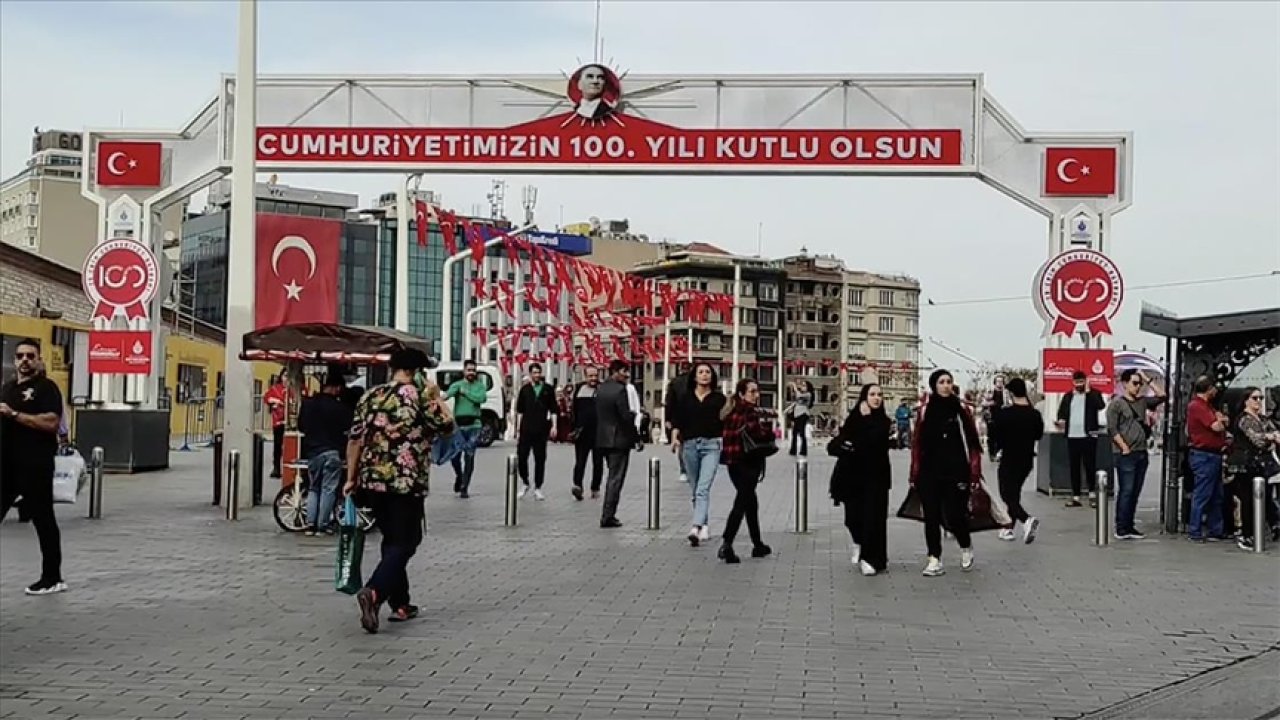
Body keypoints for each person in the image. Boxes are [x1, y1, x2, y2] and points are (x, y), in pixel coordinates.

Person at [344, 348, 452, 633]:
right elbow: (448, 426)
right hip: (406, 483)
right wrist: (437, 396)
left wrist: (350, 477)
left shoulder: (371, 395)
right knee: (407, 541)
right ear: (417, 372)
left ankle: (401, 603)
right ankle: (375, 591)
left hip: (372, 481)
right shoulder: (420, 397)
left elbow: (355, 440)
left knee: (392, 539)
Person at [0, 338, 67, 595]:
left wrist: (15, 415)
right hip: (7, 465)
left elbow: (51, 423)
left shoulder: (46, 388)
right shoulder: (7, 388)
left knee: (43, 519)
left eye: (30, 356)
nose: (25, 361)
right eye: (20, 356)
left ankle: (52, 577)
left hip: (35, 464)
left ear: (39, 359)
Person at [910, 369, 983, 577]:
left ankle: (965, 544)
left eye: (949, 382)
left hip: (956, 470)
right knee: (931, 516)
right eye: (941, 382)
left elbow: (973, 442)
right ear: (934, 385)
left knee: (954, 515)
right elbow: (917, 443)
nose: (946, 385)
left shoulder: (961, 409)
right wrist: (914, 472)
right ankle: (934, 558)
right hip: (929, 471)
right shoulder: (925, 410)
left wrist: (974, 472)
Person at [830, 383, 893, 576]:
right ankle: (859, 543)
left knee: (873, 519)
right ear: (864, 397)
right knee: (853, 518)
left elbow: (874, 442)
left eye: (879, 395)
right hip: (852, 477)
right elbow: (836, 445)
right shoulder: (853, 419)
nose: (876, 398)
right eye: (872, 394)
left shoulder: (883, 422)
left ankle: (871, 558)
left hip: (876, 477)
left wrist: (867, 420)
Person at [717, 378, 775, 564]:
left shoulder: (730, 411)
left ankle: (758, 544)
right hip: (748, 462)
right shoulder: (750, 412)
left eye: (757, 391)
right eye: (752, 391)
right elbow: (758, 433)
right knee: (742, 502)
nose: (756, 395)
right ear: (742, 394)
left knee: (750, 502)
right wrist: (769, 431)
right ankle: (727, 544)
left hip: (732, 463)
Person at [1105, 369, 1167, 540]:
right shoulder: (1116, 404)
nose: (1138, 387)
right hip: (1125, 453)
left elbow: (1162, 396)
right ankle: (1121, 527)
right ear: (1124, 384)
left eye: (1139, 384)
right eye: (1134, 383)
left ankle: (1129, 525)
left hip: (1141, 452)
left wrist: (1147, 379)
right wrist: (1123, 446)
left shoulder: (1142, 402)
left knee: (1135, 491)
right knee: (1127, 490)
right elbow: (1112, 428)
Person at [670, 363, 727, 547]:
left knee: (703, 488)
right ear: (694, 376)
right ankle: (704, 524)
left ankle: (695, 527)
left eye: (708, 372)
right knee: (695, 489)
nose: (704, 375)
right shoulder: (685, 398)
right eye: (701, 372)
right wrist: (674, 437)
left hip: (711, 445)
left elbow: (726, 421)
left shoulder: (719, 399)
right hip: (689, 445)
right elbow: (677, 420)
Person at [297, 372, 353, 536]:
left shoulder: (308, 404)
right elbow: (348, 430)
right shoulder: (340, 408)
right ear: (336, 388)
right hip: (331, 452)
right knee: (328, 489)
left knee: (313, 488)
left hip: (312, 452)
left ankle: (310, 524)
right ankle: (323, 525)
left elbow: (301, 427)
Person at [1227, 387, 1280, 550]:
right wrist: (1270, 438)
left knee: (1263, 497)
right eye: (1255, 398)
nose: (1258, 401)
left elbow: (1273, 433)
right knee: (1247, 499)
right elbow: (1257, 439)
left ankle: (1265, 528)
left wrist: (1271, 437)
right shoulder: (1244, 419)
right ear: (1246, 400)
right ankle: (1246, 534)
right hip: (1244, 463)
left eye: (1261, 398)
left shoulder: (1262, 419)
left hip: (1259, 464)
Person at [992, 378, 1044, 544]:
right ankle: (1008, 528)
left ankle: (1026, 519)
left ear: (1011, 393)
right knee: (1014, 494)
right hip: (1026, 460)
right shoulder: (1034, 414)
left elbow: (997, 437)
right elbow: (1038, 435)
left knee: (1006, 494)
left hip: (1009, 459)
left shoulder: (1005, 414)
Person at [1185, 376, 1229, 543]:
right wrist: (1221, 420)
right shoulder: (1197, 406)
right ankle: (1194, 530)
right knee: (1202, 493)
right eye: (1214, 388)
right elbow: (1216, 426)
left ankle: (1215, 529)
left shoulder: (1207, 406)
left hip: (1213, 454)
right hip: (1204, 455)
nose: (1216, 391)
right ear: (1208, 389)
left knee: (1217, 494)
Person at [1055, 370, 1106, 508]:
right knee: (1074, 467)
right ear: (1073, 382)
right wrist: (1060, 421)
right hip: (1072, 436)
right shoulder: (1068, 396)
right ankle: (1076, 496)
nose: (1079, 385)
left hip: (1088, 435)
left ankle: (1092, 494)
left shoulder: (1093, 394)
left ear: (1086, 381)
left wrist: (1088, 392)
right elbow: (1061, 412)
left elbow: (1100, 405)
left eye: (1082, 382)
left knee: (1090, 466)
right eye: (1077, 382)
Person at [595, 360, 636, 528]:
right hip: (618, 439)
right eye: (623, 371)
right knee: (615, 478)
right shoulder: (620, 391)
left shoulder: (601, 389)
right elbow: (625, 417)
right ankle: (608, 515)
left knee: (611, 476)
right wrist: (635, 422)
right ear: (615, 372)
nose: (626, 375)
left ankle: (608, 513)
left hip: (602, 438)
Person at [445, 360, 488, 498]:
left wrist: (466, 393)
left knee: (469, 456)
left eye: (473, 370)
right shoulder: (457, 385)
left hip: (474, 425)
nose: (471, 373)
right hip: (459, 425)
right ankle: (459, 475)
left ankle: (465, 486)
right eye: (469, 370)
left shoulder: (479, 386)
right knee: (455, 456)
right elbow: (447, 395)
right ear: (464, 371)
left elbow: (481, 399)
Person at [514, 363, 556, 501]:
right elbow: (520, 411)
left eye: (538, 372)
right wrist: (518, 428)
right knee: (522, 457)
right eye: (534, 372)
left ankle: (538, 487)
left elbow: (553, 409)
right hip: (526, 428)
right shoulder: (525, 390)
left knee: (540, 458)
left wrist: (554, 427)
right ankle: (525, 482)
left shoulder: (548, 389)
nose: (537, 375)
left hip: (541, 428)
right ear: (530, 374)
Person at [569, 366, 604, 501]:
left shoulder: (602, 389)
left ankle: (595, 488)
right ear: (585, 376)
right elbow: (574, 411)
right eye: (590, 376)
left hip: (599, 432)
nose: (593, 379)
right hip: (582, 433)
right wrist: (574, 428)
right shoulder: (579, 390)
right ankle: (578, 486)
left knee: (598, 462)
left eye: (595, 375)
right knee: (580, 462)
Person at [663, 369, 692, 483]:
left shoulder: (675, 382)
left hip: (679, 416)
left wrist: (668, 418)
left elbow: (669, 402)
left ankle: (684, 471)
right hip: (695, 415)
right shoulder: (696, 382)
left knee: (682, 444)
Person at [264, 375, 288, 478]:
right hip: (278, 420)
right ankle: (276, 467)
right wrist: (274, 401)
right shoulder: (276, 388)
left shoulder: (295, 387)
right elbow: (267, 398)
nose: (286, 379)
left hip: (291, 421)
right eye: (285, 376)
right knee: (277, 445)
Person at [984, 375, 1007, 461]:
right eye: (998, 381)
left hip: (1003, 418)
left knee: (1001, 437)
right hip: (992, 418)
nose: (999, 383)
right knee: (992, 437)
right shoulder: (991, 392)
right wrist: (991, 403)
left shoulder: (1006, 393)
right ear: (995, 383)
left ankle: (999, 453)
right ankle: (992, 454)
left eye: (1001, 381)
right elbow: (984, 403)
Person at [788, 380, 814, 457]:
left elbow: (798, 395)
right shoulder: (802, 394)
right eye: (802, 385)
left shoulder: (808, 394)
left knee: (802, 433)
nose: (802, 387)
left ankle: (803, 450)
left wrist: (795, 387)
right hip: (797, 414)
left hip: (803, 414)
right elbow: (795, 401)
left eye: (804, 386)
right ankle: (793, 450)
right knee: (794, 433)